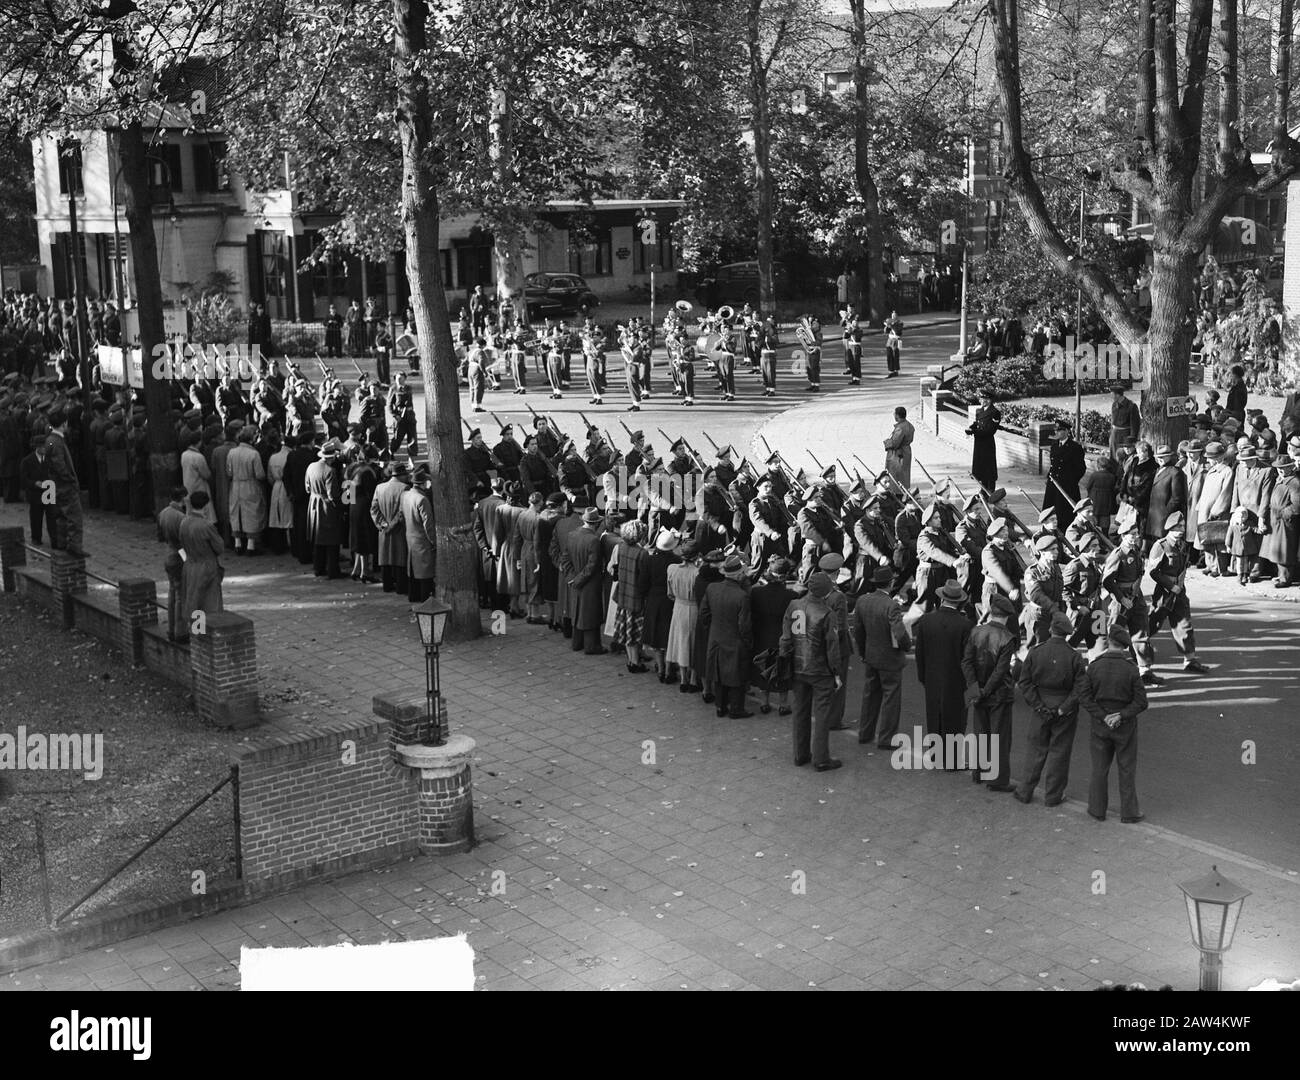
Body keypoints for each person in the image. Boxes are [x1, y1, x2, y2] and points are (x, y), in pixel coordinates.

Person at [1014, 610, 1087, 807]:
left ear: (1051, 629)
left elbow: (1024, 683)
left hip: (1040, 706)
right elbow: (1080, 688)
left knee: (1034, 751)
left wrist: (1038, 706)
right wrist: (1064, 708)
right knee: (1059, 753)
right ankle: (1053, 796)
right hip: (1064, 709)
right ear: (1067, 633)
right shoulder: (1074, 657)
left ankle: (1024, 791)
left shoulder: (1036, 652)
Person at [1082, 625, 1149, 823]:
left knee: (1099, 769)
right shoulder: (1130, 669)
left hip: (1100, 725)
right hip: (1125, 726)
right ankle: (1129, 812)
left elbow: (1084, 697)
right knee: (1126, 769)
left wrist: (1103, 716)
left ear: (1109, 641)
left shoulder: (1095, 666)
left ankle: (1096, 809)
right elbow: (1141, 702)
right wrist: (1121, 715)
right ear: (1125, 646)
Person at [780, 570, 844, 771]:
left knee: (800, 711)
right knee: (822, 714)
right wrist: (836, 673)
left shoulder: (793, 605)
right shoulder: (827, 613)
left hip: (798, 667)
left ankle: (800, 754)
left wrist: (785, 660)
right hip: (820, 671)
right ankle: (821, 758)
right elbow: (832, 647)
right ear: (826, 592)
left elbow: (785, 638)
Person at [961, 592, 1018, 788]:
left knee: (980, 733)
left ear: (992, 612)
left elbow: (966, 662)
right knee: (999, 738)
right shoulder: (1007, 638)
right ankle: (998, 780)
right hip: (999, 694)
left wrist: (974, 688)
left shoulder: (976, 632)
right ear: (1007, 616)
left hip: (977, 692)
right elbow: (1001, 671)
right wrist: (986, 690)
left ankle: (978, 772)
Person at [852, 564, 909, 748]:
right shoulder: (891, 605)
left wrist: (862, 652)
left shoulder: (862, 601)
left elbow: (858, 632)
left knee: (870, 696)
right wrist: (906, 647)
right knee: (890, 699)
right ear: (891, 583)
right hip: (890, 659)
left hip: (871, 655)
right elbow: (900, 634)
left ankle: (865, 733)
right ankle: (886, 738)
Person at [1145, 512, 1209, 673]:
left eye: (1182, 527)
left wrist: (1177, 587)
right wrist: (1170, 586)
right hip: (1164, 593)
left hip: (1179, 591)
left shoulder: (1182, 545)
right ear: (1169, 528)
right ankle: (1137, 648)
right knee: (1152, 623)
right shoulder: (1160, 546)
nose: (1180, 530)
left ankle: (1190, 659)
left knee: (1184, 624)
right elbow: (1153, 571)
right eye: (1176, 527)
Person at [913, 582, 974, 741]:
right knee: (955, 720)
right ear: (959, 601)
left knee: (934, 715)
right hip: (956, 681)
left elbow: (920, 653)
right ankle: (952, 760)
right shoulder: (965, 625)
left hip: (931, 678)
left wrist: (923, 677)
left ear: (942, 599)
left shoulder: (926, 620)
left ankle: (935, 754)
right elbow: (967, 658)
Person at [698, 553, 754, 719]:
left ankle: (720, 706)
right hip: (735, 640)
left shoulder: (712, 588)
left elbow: (704, 614)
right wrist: (748, 642)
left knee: (719, 674)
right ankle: (736, 709)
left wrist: (713, 628)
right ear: (737, 575)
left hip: (716, 637)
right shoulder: (741, 596)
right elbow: (744, 626)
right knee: (736, 676)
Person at [749, 555, 796, 715]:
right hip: (782, 636)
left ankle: (764, 702)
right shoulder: (791, 596)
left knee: (764, 667)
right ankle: (783, 704)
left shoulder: (756, 593)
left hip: (762, 635)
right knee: (783, 670)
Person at [177, 489, 225, 637]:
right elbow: (219, 547)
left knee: (194, 600)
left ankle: (196, 633)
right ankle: (209, 635)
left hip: (190, 564)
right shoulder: (206, 525)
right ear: (205, 506)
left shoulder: (184, 522)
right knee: (210, 602)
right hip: (206, 565)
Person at [43, 408, 84, 556]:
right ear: (64, 423)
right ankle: (74, 546)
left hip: (56, 485)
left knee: (60, 516)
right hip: (65, 486)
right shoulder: (57, 442)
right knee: (74, 516)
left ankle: (61, 543)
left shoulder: (50, 440)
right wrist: (70, 479)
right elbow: (59, 464)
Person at [643, 527, 679, 680]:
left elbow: (642, 583)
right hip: (670, 601)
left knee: (656, 637)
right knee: (668, 636)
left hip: (653, 600)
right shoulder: (677, 561)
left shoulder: (650, 560)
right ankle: (669, 669)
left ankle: (661, 669)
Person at [371, 459, 412, 594]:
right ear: (400, 475)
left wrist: (383, 525)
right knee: (399, 557)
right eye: (405, 474)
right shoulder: (404, 488)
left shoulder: (379, 487)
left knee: (385, 557)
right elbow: (402, 511)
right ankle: (401, 587)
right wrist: (392, 525)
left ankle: (387, 585)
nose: (407, 477)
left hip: (383, 529)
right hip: (399, 529)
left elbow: (374, 509)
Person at [306, 438, 344, 579]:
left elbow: (307, 487)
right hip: (327, 506)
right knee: (332, 539)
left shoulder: (311, 466)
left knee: (318, 538)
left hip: (314, 504)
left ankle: (318, 567)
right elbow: (332, 494)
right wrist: (341, 506)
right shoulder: (330, 471)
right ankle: (333, 570)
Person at [226, 427, 267, 556]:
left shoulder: (231, 452)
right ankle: (251, 545)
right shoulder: (253, 454)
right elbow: (259, 474)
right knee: (252, 512)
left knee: (235, 512)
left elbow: (229, 472)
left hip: (236, 485)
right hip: (250, 484)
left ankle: (237, 543)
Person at [665, 544, 701, 689]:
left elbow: (670, 593)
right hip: (693, 608)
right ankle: (692, 678)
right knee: (692, 643)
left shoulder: (672, 569)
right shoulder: (697, 573)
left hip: (678, 607)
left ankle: (682, 678)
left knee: (679, 641)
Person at [402, 464, 437, 602]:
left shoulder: (406, 495)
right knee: (425, 573)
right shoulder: (422, 499)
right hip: (422, 539)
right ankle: (425, 600)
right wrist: (434, 541)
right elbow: (428, 524)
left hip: (410, 536)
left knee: (413, 571)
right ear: (423, 483)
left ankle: (413, 596)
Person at [156, 487, 188, 641]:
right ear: (182, 498)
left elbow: (160, 537)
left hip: (168, 556)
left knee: (172, 594)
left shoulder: (162, 513)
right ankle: (181, 632)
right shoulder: (181, 517)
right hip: (178, 557)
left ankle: (171, 629)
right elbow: (183, 542)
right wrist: (186, 558)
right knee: (182, 596)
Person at [1263, 454, 1300, 586]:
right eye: (1279, 468)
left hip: (1286, 522)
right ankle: (1280, 575)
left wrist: (1284, 514)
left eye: (1284, 468)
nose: (1281, 470)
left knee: (1286, 551)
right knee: (1277, 550)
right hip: (1276, 519)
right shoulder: (1280, 479)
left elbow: (1297, 505)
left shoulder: (1294, 482)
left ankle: (1286, 579)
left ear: (1290, 467)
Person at [18, 440, 52, 545]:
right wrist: (34, 483)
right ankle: (36, 538)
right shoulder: (27, 461)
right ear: (37, 447)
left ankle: (54, 538)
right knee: (36, 517)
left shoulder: (50, 459)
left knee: (52, 516)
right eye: (43, 447)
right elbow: (23, 479)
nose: (45, 449)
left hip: (49, 492)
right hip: (35, 493)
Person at [966, 391, 1001, 491]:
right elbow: (977, 423)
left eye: (985, 399)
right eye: (981, 399)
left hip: (987, 443)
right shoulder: (979, 411)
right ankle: (983, 489)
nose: (982, 401)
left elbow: (990, 430)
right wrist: (970, 428)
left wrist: (974, 431)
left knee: (988, 468)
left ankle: (991, 490)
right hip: (979, 443)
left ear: (990, 400)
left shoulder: (995, 413)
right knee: (980, 467)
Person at [1108, 384, 1141, 459]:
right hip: (1114, 435)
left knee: (1124, 456)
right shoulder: (1114, 405)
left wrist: (1132, 440)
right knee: (1113, 457)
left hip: (1125, 436)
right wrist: (1111, 435)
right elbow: (1113, 421)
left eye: (1112, 395)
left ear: (1117, 395)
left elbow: (1135, 425)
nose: (1111, 397)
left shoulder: (1131, 406)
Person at [884, 406, 914, 488]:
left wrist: (887, 442)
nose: (894, 416)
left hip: (898, 455)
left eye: (894, 414)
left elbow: (895, 443)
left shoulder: (900, 428)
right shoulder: (909, 425)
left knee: (896, 475)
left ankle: (897, 493)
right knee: (905, 474)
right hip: (906, 452)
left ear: (897, 415)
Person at [883, 310, 903, 376]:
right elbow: (886, 331)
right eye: (892, 316)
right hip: (890, 340)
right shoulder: (891, 322)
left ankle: (896, 370)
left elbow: (898, 331)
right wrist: (886, 326)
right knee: (889, 355)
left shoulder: (900, 323)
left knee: (895, 355)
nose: (893, 317)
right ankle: (890, 371)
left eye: (894, 316)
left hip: (896, 340)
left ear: (897, 316)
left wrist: (891, 325)